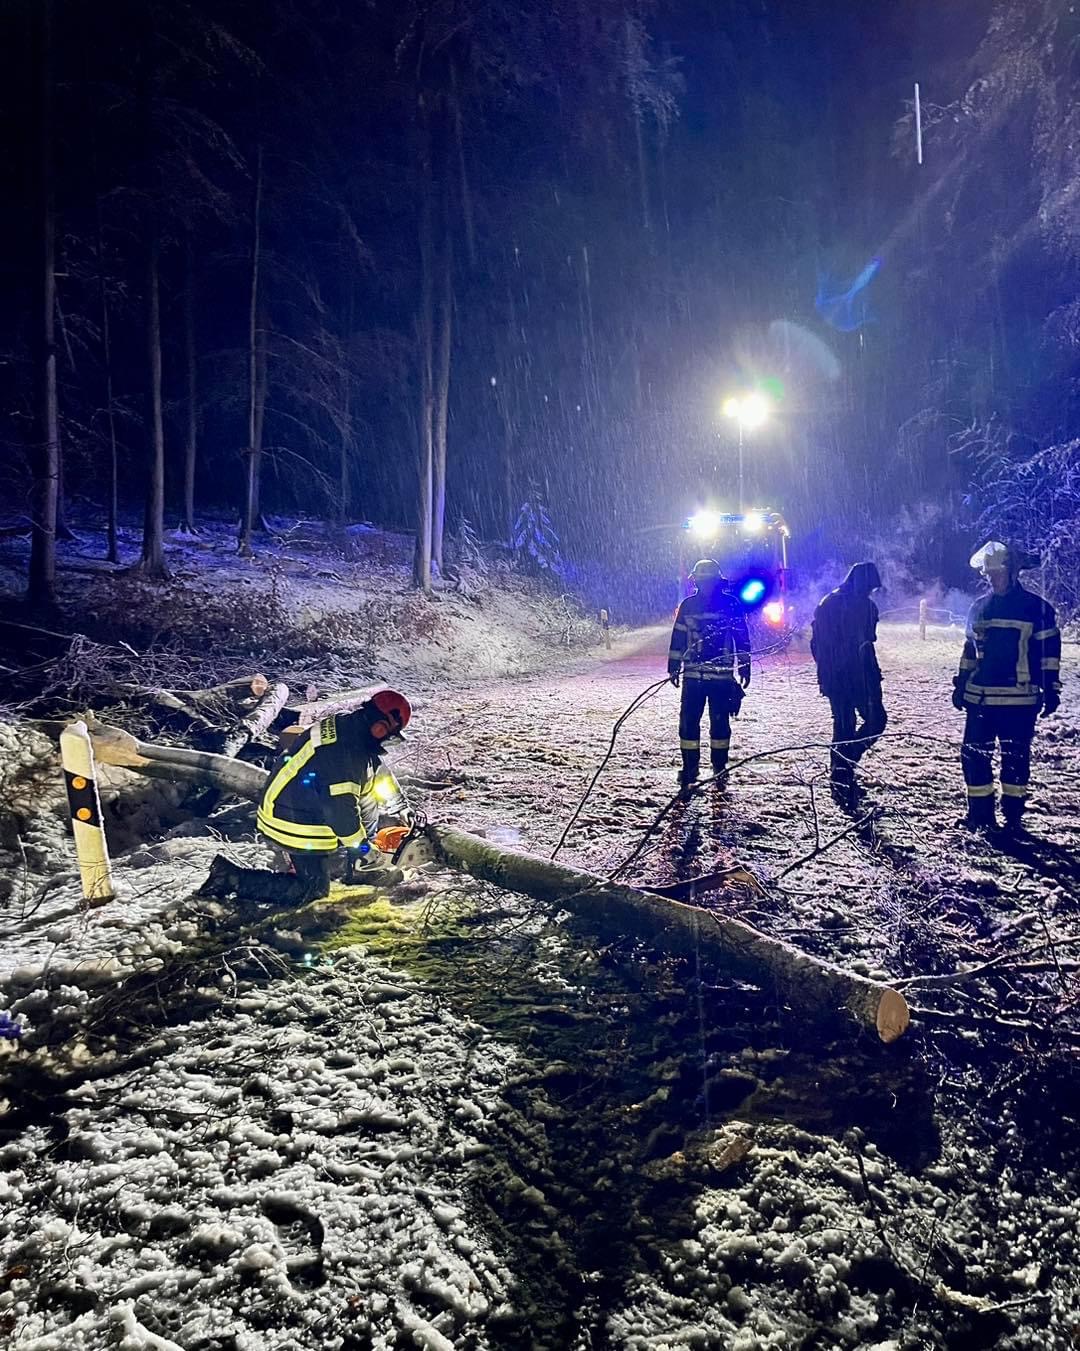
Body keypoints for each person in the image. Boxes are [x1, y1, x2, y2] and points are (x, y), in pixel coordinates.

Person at [199, 688, 414, 904]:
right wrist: (364, 849)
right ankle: (231, 878)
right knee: (313, 890)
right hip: (293, 820)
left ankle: (358, 869)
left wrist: (399, 804)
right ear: (381, 726)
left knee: (367, 799)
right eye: (388, 734)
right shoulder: (344, 755)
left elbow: (376, 770)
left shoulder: (352, 728)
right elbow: (341, 814)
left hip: (298, 801)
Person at [953, 541, 1061, 833]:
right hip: (981, 700)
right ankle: (980, 816)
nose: (992, 579)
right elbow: (970, 651)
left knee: (1014, 760)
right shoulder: (979, 608)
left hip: (1019, 701)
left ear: (1014, 572)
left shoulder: (1036, 609)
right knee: (974, 757)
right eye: (989, 575)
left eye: (997, 573)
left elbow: (1049, 651)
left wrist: (1050, 687)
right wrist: (961, 683)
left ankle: (1013, 818)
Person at [668, 559, 751, 789]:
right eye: (702, 581)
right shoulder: (720, 605)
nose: (704, 585)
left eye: (707, 581)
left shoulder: (700, 605)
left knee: (718, 724)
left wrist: (745, 664)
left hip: (714, 677)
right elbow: (678, 637)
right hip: (699, 676)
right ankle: (692, 768)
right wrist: (673, 665)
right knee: (689, 723)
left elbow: (741, 638)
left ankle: (718, 767)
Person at [811, 561, 887, 805]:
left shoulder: (831, 604)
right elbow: (861, 643)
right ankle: (843, 772)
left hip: (849, 674)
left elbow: (819, 645)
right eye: (869, 588)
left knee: (852, 723)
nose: (870, 593)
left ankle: (843, 768)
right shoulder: (844, 606)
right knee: (855, 723)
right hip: (850, 675)